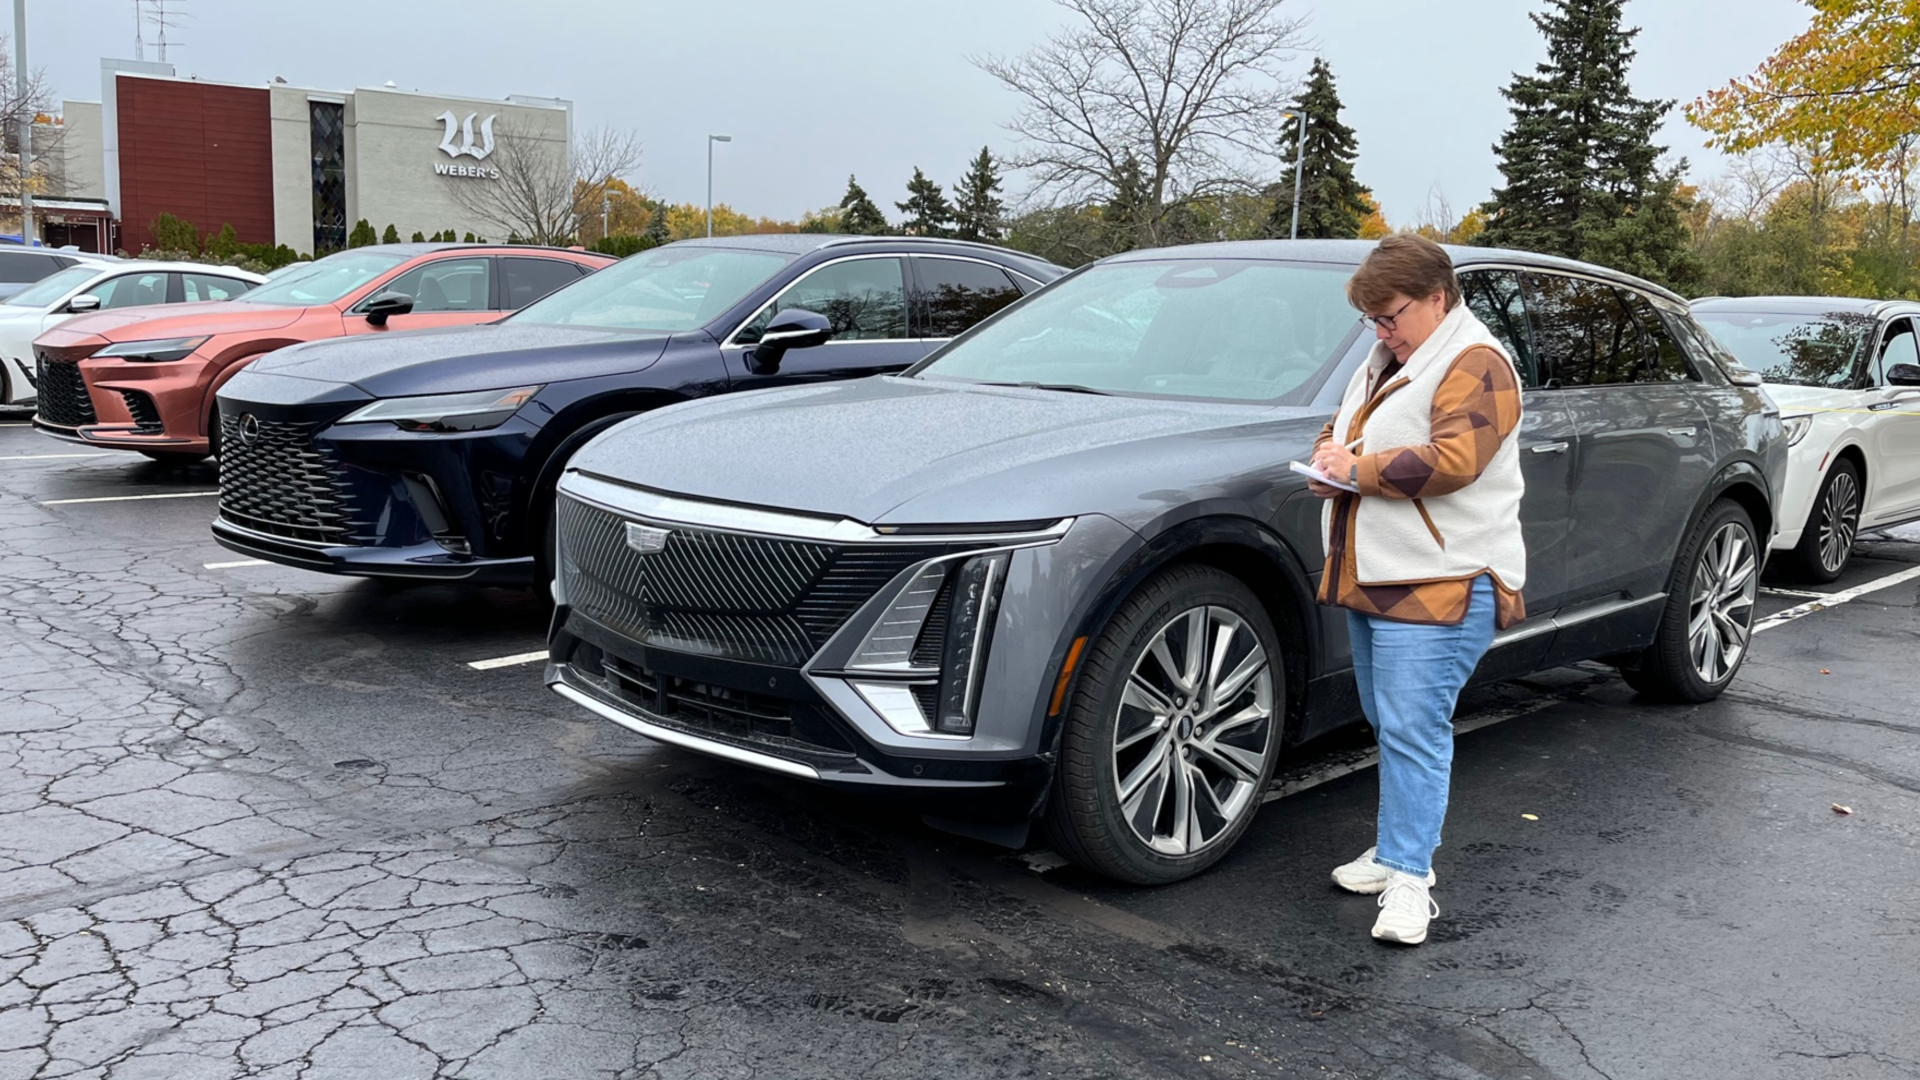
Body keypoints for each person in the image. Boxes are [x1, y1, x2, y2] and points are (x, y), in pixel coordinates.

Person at [1305, 234, 1527, 946]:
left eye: (1390, 315)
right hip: (1383, 575)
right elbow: (1348, 429)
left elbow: (1456, 459)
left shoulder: (1477, 362)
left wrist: (1355, 470)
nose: (1380, 331)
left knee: (1413, 728)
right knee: (1392, 722)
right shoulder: (1393, 358)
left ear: (1438, 298)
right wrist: (1327, 458)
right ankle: (1395, 849)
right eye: (1371, 319)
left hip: (1443, 580)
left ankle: (1409, 880)